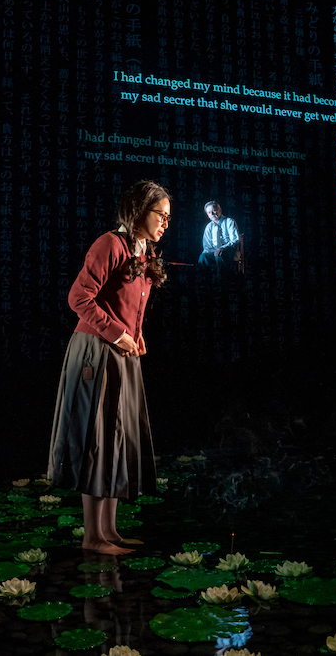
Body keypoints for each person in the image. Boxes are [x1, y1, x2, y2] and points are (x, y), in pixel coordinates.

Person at [47, 180, 171, 555]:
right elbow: (78, 297)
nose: (165, 223)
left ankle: (110, 532)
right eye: (160, 215)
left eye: (168, 218)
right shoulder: (110, 244)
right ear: (138, 210)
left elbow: (126, 303)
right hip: (96, 353)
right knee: (98, 442)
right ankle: (92, 537)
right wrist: (119, 333)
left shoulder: (143, 252)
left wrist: (136, 333)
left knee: (116, 442)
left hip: (122, 354)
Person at [198, 200, 240, 271]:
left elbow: (235, 240)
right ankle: (206, 280)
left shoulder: (229, 222)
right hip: (214, 252)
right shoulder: (208, 227)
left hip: (229, 251)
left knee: (219, 255)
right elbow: (207, 247)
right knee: (203, 257)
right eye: (209, 212)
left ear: (219, 209)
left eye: (214, 211)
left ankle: (221, 279)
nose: (212, 214)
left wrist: (222, 248)